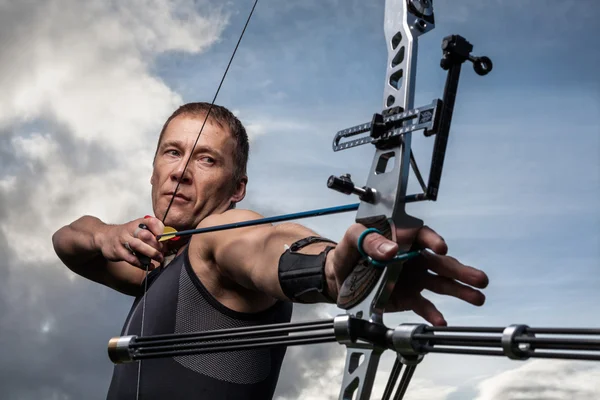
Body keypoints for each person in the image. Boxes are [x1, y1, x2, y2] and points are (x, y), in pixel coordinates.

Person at [52, 102, 489, 399]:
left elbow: (266, 246)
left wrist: (343, 270)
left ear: (237, 187)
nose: (181, 171)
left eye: (206, 159)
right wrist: (105, 234)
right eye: (172, 152)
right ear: (153, 171)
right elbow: (68, 241)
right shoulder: (159, 263)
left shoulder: (219, 235)